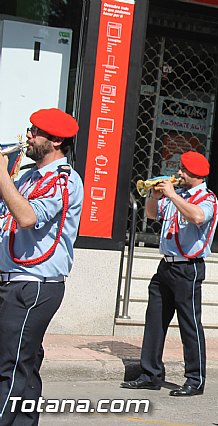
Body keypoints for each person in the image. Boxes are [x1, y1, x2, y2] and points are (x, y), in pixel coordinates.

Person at [0, 108, 83, 425]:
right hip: (14, 279)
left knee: (10, 364)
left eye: (35, 132)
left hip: (34, 284)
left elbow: (27, 217)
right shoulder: (27, 177)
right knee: (24, 364)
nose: (28, 137)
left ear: (57, 140)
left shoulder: (63, 180)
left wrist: (2, 176)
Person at [121, 151, 218, 397]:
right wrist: (154, 196)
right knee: (155, 320)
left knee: (190, 324)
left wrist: (173, 195)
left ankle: (195, 380)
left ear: (195, 175)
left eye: (184, 171)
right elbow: (153, 214)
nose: (179, 174)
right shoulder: (179, 196)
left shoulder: (207, 199)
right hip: (166, 265)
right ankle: (150, 374)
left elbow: (197, 217)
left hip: (189, 267)